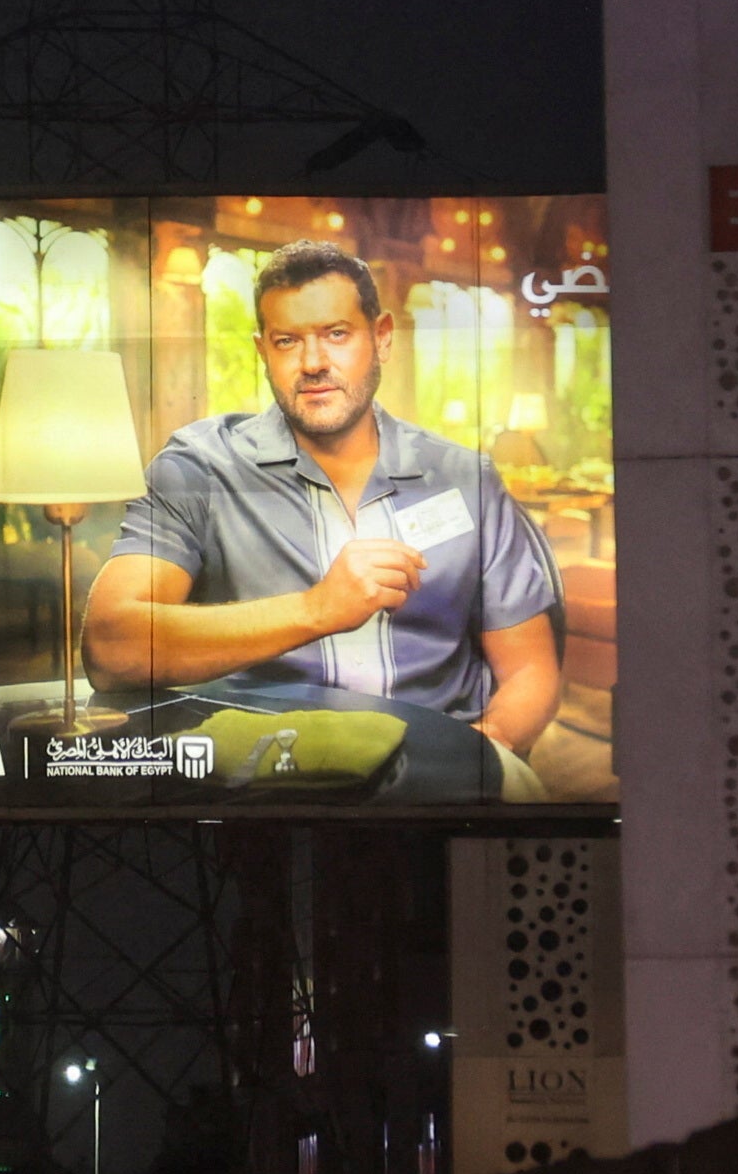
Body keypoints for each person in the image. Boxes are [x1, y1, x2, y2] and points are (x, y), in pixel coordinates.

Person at [83, 240, 584, 799]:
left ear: (382, 336)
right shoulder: (200, 468)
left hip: (441, 773)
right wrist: (316, 609)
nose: (313, 362)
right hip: (266, 777)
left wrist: (480, 751)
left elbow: (530, 671)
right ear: (262, 350)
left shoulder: (465, 478)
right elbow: (111, 646)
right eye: (287, 341)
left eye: (337, 333)